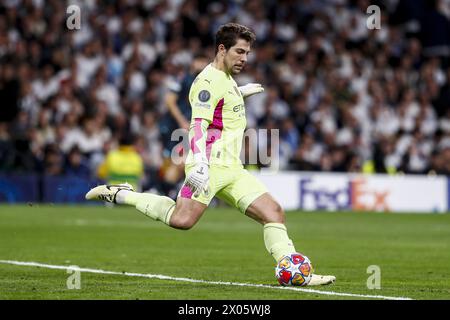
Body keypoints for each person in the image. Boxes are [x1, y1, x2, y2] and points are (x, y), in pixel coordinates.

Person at [86, 23, 335, 286]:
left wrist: (239, 94)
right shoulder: (208, 81)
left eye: (247, 53)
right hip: (208, 163)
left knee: (273, 213)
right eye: (239, 52)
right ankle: (123, 194)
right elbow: (198, 125)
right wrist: (200, 164)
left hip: (232, 167)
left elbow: (219, 111)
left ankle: (297, 274)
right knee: (182, 221)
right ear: (222, 49)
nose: (244, 58)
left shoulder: (226, 78)